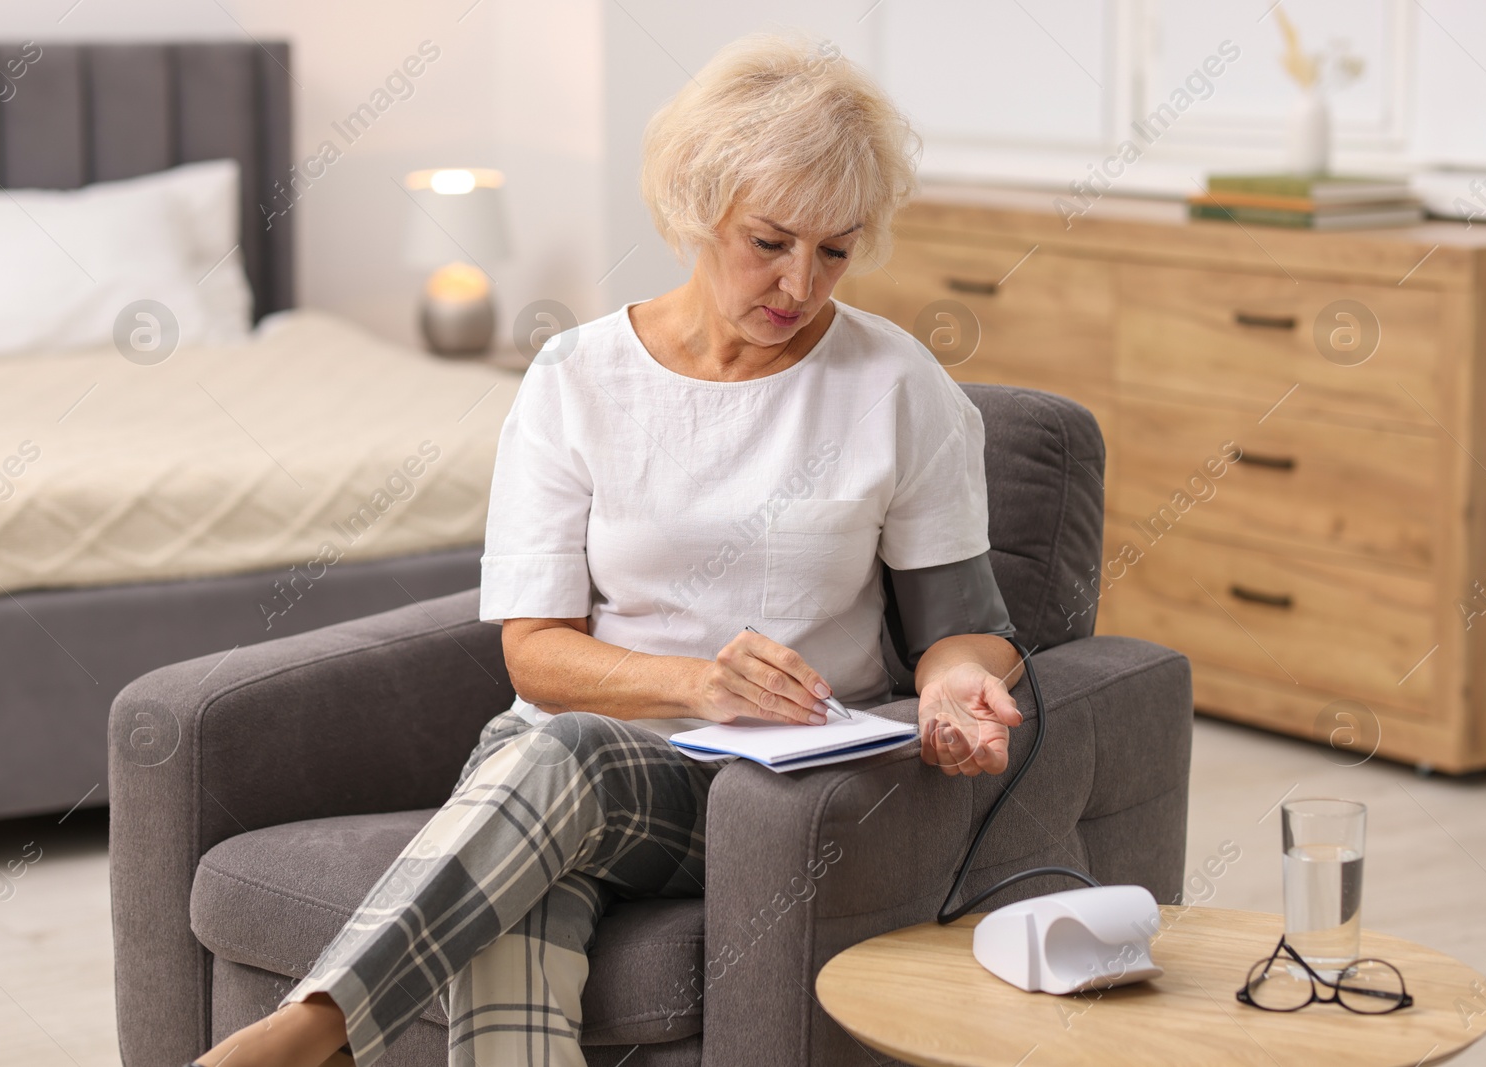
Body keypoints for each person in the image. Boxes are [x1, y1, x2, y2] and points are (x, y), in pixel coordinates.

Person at [187, 29, 1024, 1067]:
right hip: (565, 760)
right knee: (519, 908)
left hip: (762, 798)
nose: (800, 282)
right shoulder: (574, 376)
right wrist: (698, 682)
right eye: (768, 241)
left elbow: (965, 631)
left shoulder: (894, 384)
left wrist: (956, 689)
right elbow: (535, 654)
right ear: (693, 208)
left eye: (835, 249)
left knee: (554, 759)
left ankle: (312, 1031)